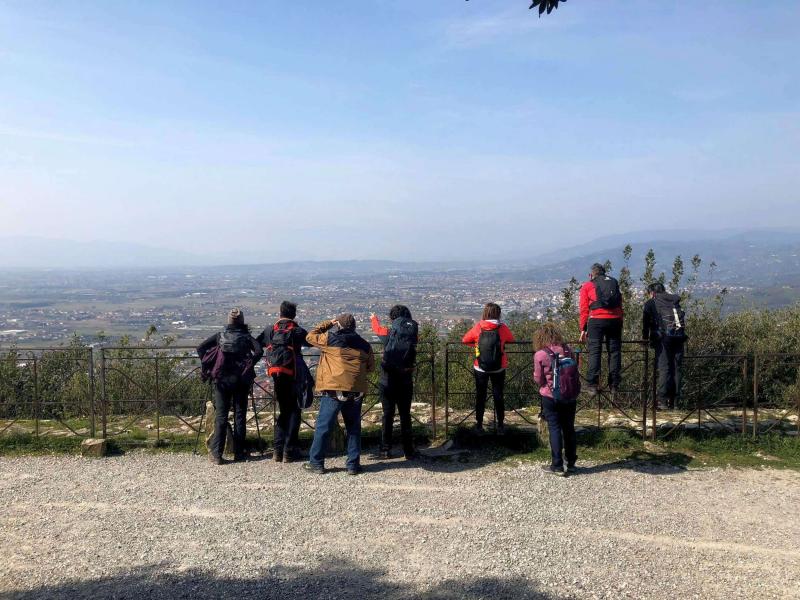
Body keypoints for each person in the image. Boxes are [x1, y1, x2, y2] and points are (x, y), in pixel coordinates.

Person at [303, 314, 375, 475]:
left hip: (334, 390)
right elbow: (371, 368)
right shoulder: (365, 345)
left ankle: (316, 463)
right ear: (354, 326)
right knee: (353, 428)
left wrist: (328, 323)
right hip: (356, 391)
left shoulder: (330, 339)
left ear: (339, 326)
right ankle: (353, 465)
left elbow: (310, 336)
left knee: (323, 426)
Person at [197, 308, 263, 465]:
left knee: (221, 416)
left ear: (229, 321)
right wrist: (250, 363)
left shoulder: (220, 336)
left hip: (221, 381)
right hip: (241, 380)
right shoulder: (246, 337)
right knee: (240, 415)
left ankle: (216, 454)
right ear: (242, 321)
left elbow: (200, 348)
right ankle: (239, 453)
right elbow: (259, 351)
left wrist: (210, 363)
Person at [257, 301, 310, 463]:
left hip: (278, 376)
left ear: (280, 313)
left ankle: (277, 450)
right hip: (294, 376)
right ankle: (289, 450)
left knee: (284, 411)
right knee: (294, 411)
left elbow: (257, 344)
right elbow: (313, 341)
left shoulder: (270, 330)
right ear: (294, 315)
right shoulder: (297, 330)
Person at [371, 305, 419, 460]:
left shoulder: (389, 333)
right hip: (405, 379)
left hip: (388, 380)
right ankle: (408, 450)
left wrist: (373, 319)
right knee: (405, 415)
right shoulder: (412, 333)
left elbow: (377, 329)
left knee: (387, 415)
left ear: (393, 318)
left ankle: (385, 450)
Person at [461, 303, 515, 434]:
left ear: (485, 313)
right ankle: (500, 425)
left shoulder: (478, 327)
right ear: (498, 314)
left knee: (481, 396)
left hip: (480, 367)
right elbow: (512, 339)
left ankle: (479, 425)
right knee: (498, 395)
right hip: (499, 367)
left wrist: (477, 346)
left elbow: (465, 340)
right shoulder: (502, 328)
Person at [533, 322, 580, 476]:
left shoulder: (540, 354)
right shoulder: (568, 350)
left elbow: (538, 378)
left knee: (554, 428)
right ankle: (571, 462)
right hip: (570, 394)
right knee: (569, 428)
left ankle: (557, 465)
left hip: (550, 396)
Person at [579, 263, 624, 397]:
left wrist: (583, 328)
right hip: (615, 320)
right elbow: (620, 303)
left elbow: (584, 309)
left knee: (595, 352)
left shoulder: (587, 285)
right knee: (614, 352)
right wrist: (620, 321)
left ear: (591, 275)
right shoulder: (613, 282)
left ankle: (592, 385)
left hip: (596, 321)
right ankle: (614, 385)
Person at [642, 282, 687, 410]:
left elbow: (646, 323)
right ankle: (676, 402)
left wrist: (645, 339)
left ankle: (662, 401)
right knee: (677, 368)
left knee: (664, 368)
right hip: (679, 337)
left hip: (663, 339)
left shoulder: (651, 303)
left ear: (652, 293)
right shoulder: (673, 300)